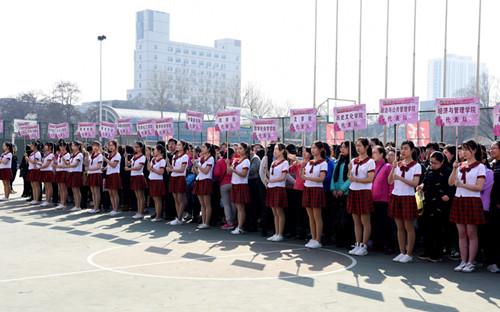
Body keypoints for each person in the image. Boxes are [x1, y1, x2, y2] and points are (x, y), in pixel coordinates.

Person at [448, 140, 486, 273]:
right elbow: (451, 183)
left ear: (474, 150)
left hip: (472, 201)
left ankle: (471, 262)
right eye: (462, 150)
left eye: (466, 149)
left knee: (471, 234)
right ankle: (463, 261)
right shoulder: (459, 165)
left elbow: (479, 187)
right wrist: (454, 169)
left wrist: (462, 185)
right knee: (461, 234)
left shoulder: (480, 167)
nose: (463, 152)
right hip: (459, 200)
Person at [388, 140, 421, 263]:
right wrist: (393, 168)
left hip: (408, 196)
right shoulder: (398, 164)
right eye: (402, 148)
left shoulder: (416, 166)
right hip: (396, 195)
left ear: (412, 150)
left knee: (409, 227)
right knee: (399, 227)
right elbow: (390, 181)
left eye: (406, 148)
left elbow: (415, 183)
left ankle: (409, 253)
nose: (403, 151)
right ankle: (401, 251)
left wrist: (400, 178)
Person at [418, 151, 454, 262]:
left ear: (442, 162)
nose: (433, 165)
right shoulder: (428, 170)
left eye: (436, 163)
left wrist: (448, 195)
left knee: (438, 230)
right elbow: (424, 182)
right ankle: (427, 251)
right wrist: (421, 187)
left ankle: (437, 254)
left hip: (441, 204)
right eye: (431, 162)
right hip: (428, 202)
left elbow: (453, 187)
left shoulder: (448, 171)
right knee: (426, 229)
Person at [347, 138, 375, 256]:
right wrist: (349, 171)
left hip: (364, 192)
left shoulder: (370, 161)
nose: (358, 148)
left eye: (360, 146)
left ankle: (364, 245)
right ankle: (357, 244)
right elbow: (349, 177)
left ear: (366, 147)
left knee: (365, 221)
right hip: (353, 190)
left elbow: (370, 178)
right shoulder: (353, 160)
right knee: (356, 221)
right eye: (356, 146)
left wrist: (356, 179)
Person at [301, 141, 328, 249]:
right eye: (311, 148)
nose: (312, 150)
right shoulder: (309, 162)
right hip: (308, 188)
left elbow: (321, 178)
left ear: (320, 150)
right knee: (310, 216)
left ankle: (318, 239)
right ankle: (313, 238)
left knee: (317, 216)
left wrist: (307, 178)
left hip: (317, 189)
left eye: (315, 148)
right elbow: (302, 176)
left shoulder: (323, 163)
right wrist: (302, 167)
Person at [371, 145, 395, 254]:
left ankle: (389, 245)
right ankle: (378, 244)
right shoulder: (372, 166)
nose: (373, 155)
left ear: (381, 154)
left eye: (375, 152)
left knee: (386, 224)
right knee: (375, 223)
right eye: (372, 152)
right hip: (373, 199)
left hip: (384, 200)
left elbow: (391, 183)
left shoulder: (387, 166)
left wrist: (390, 197)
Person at [264, 143, 289, 242]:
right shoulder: (273, 162)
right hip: (271, 187)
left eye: (277, 149)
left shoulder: (285, 162)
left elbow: (283, 177)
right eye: (274, 149)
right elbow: (271, 176)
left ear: (282, 151)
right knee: (274, 212)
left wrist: (270, 181)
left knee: (279, 212)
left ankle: (280, 233)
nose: (275, 151)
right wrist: (266, 170)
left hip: (279, 188)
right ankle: (276, 232)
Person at [227, 143, 251, 235]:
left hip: (242, 184)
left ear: (245, 150)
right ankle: (239, 226)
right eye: (238, 149)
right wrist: (228, 164)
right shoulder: (236, 160)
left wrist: (234, 170)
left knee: (241, 208)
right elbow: (229, 172)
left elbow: (244, 174)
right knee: (237, 207)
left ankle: (240, 227)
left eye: (241, 148)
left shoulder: (246, 161)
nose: (238, 150)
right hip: (235, 184)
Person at [192, 142, 216, 229]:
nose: (202, 149)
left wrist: (197, 164)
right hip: (199, 180)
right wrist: (195, 169)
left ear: (209, 148)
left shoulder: (211, 158)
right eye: (202, 147)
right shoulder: (202, 158)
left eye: (204, 147)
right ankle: (203, 221)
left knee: (207, 203)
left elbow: (206, 171)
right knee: (202, 204)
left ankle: (207, 222)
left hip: (206, 181)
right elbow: (200, 172)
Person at [485, 141, 500, 273]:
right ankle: (491, 262)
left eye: (494, 148)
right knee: (492, 235)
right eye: (491, 148)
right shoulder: (490, 165)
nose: (491, 150)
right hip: (490, 205)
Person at [167, 139, 189, 225]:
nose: (177, 146)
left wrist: (171, 169)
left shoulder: (185, 156)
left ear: (183, 146)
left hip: (180, 177)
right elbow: (173, 167)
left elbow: (182, 169)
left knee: (180, 199)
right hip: (173, 177)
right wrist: (168, 164)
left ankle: (180, 218)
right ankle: (178, 217)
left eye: (179, 145)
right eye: (177, 145)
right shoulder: (175, 155)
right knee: (176, 199)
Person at [215, 147, 237, 230]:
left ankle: (229, 221)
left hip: (223, 184)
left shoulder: (220, 161)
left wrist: (220, 178)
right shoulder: (235, 160)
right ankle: (234, 219)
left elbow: (216, 173)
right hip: (233, 183)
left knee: (226, 204)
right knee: (233, 203)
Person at [125, 142, 148, 219]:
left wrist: (129, 169)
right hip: (133, 176)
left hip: (139, 175)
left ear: (141, 148)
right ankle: (139, 211)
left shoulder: (142, 157)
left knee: (141, 195)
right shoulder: (134, 156)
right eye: (135, 147)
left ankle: (141, 212)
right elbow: (128, 164)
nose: (136, 148)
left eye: (137, 147)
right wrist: (125, 157)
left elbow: (139, 167)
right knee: (137, 196)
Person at [147, 145, 167, 222]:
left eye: (155, 149)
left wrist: (153, 170)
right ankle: (157, 215)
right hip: (152, 179)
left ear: (159, 151)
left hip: (158, 180)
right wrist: (148, 160)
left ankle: (158, 216)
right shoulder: (153, 159)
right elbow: (148, 168)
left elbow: (161, 172)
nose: (154, 151)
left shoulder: (162, 160)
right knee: (155, 199)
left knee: (158, 199)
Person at [103, 140, 122, 216]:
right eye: (109, 145)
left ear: (115, 146)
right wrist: (104, 168)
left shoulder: (117, 155)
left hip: (114, 174)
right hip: (109, 173)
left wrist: (106, 160)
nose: (110, 147)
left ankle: (116, 209)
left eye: (112, 145)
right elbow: (109, 165)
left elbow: (114, 165)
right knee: (110, 193)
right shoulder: (110, 155)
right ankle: (113, 208)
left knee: (114, 193)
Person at [85, 141, 103, 214]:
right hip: (91, 174)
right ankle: (94, 207)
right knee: (92, 191)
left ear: (98, 147)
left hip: (97, 173)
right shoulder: (90, 155)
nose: (94, 147)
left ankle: (97, 207)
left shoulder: (99, 155)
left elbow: (98, 167)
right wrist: (86, 160)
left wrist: (89, 169)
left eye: (96, 146)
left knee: (96, 191)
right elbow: (87, 165)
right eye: (93, 146)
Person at [25, 140, 43, 205]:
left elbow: (35, 162)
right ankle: (34, 198)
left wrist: (28, 159)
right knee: (33, 185)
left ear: (35, 146)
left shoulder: (37, 153)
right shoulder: (32, 153)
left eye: (32, 145)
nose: (31, 146)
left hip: (35, 170)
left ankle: (37, 199)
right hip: (31, 169)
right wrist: (27, 158)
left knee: (36, 185)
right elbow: (29, 162)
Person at [38, 142, 55, 207]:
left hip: (48, 171)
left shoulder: (51, 155)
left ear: (50, 147)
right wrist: (36, 162)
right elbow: (43, 163)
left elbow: (47, 164)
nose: (45, 146)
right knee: (46, 187)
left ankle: (48, 200)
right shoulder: (46, 154)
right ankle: (46, 200)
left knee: (49, 187)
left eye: (47, 145)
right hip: (44, 171)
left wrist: (39, 167)